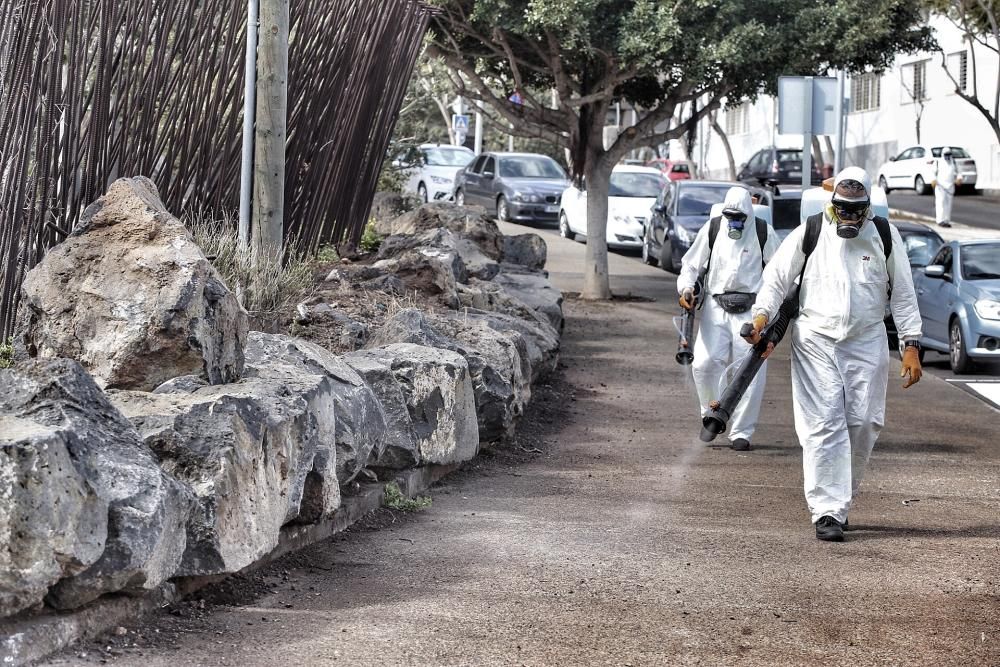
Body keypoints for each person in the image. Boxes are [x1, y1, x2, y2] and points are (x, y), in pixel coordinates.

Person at [744, 167, 923, 542]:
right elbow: (776, 278)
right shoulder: (810, 231)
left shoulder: (885, 236)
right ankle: (827, 511)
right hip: (815, 339)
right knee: (824, 423)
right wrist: (761, 316)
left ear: (868, 208)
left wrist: (911, 345)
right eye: (843, 208)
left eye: (856, 210)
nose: (849, 217)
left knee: (864, 422)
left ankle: (841, 497)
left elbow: (903, 293)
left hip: (867, 338)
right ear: (833, 205)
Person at [678, 187, 780, 451]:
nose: (734, 222)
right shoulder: (713, 229)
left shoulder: (762, 232)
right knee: (703, 364)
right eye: (730, 216)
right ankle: (710, 413)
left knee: (748, 371)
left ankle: (741, 431)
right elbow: (691, 264)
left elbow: (779, 270)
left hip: (751, 309)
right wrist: (686, 288)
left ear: (748, 214)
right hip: (716, 306)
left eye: (739, 217)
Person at [932, 148, 961, 228]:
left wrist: (959, 178)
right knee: (940, 203)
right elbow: (932, 173)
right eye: (946, 154)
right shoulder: (938, 162)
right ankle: (940, 220)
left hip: (950, 186)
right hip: (940, 186)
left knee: (948, 204)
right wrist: (934, 180)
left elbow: (958, 173)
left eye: (949, 154)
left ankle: (946, 220)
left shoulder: (953, 162)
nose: (947, 156)